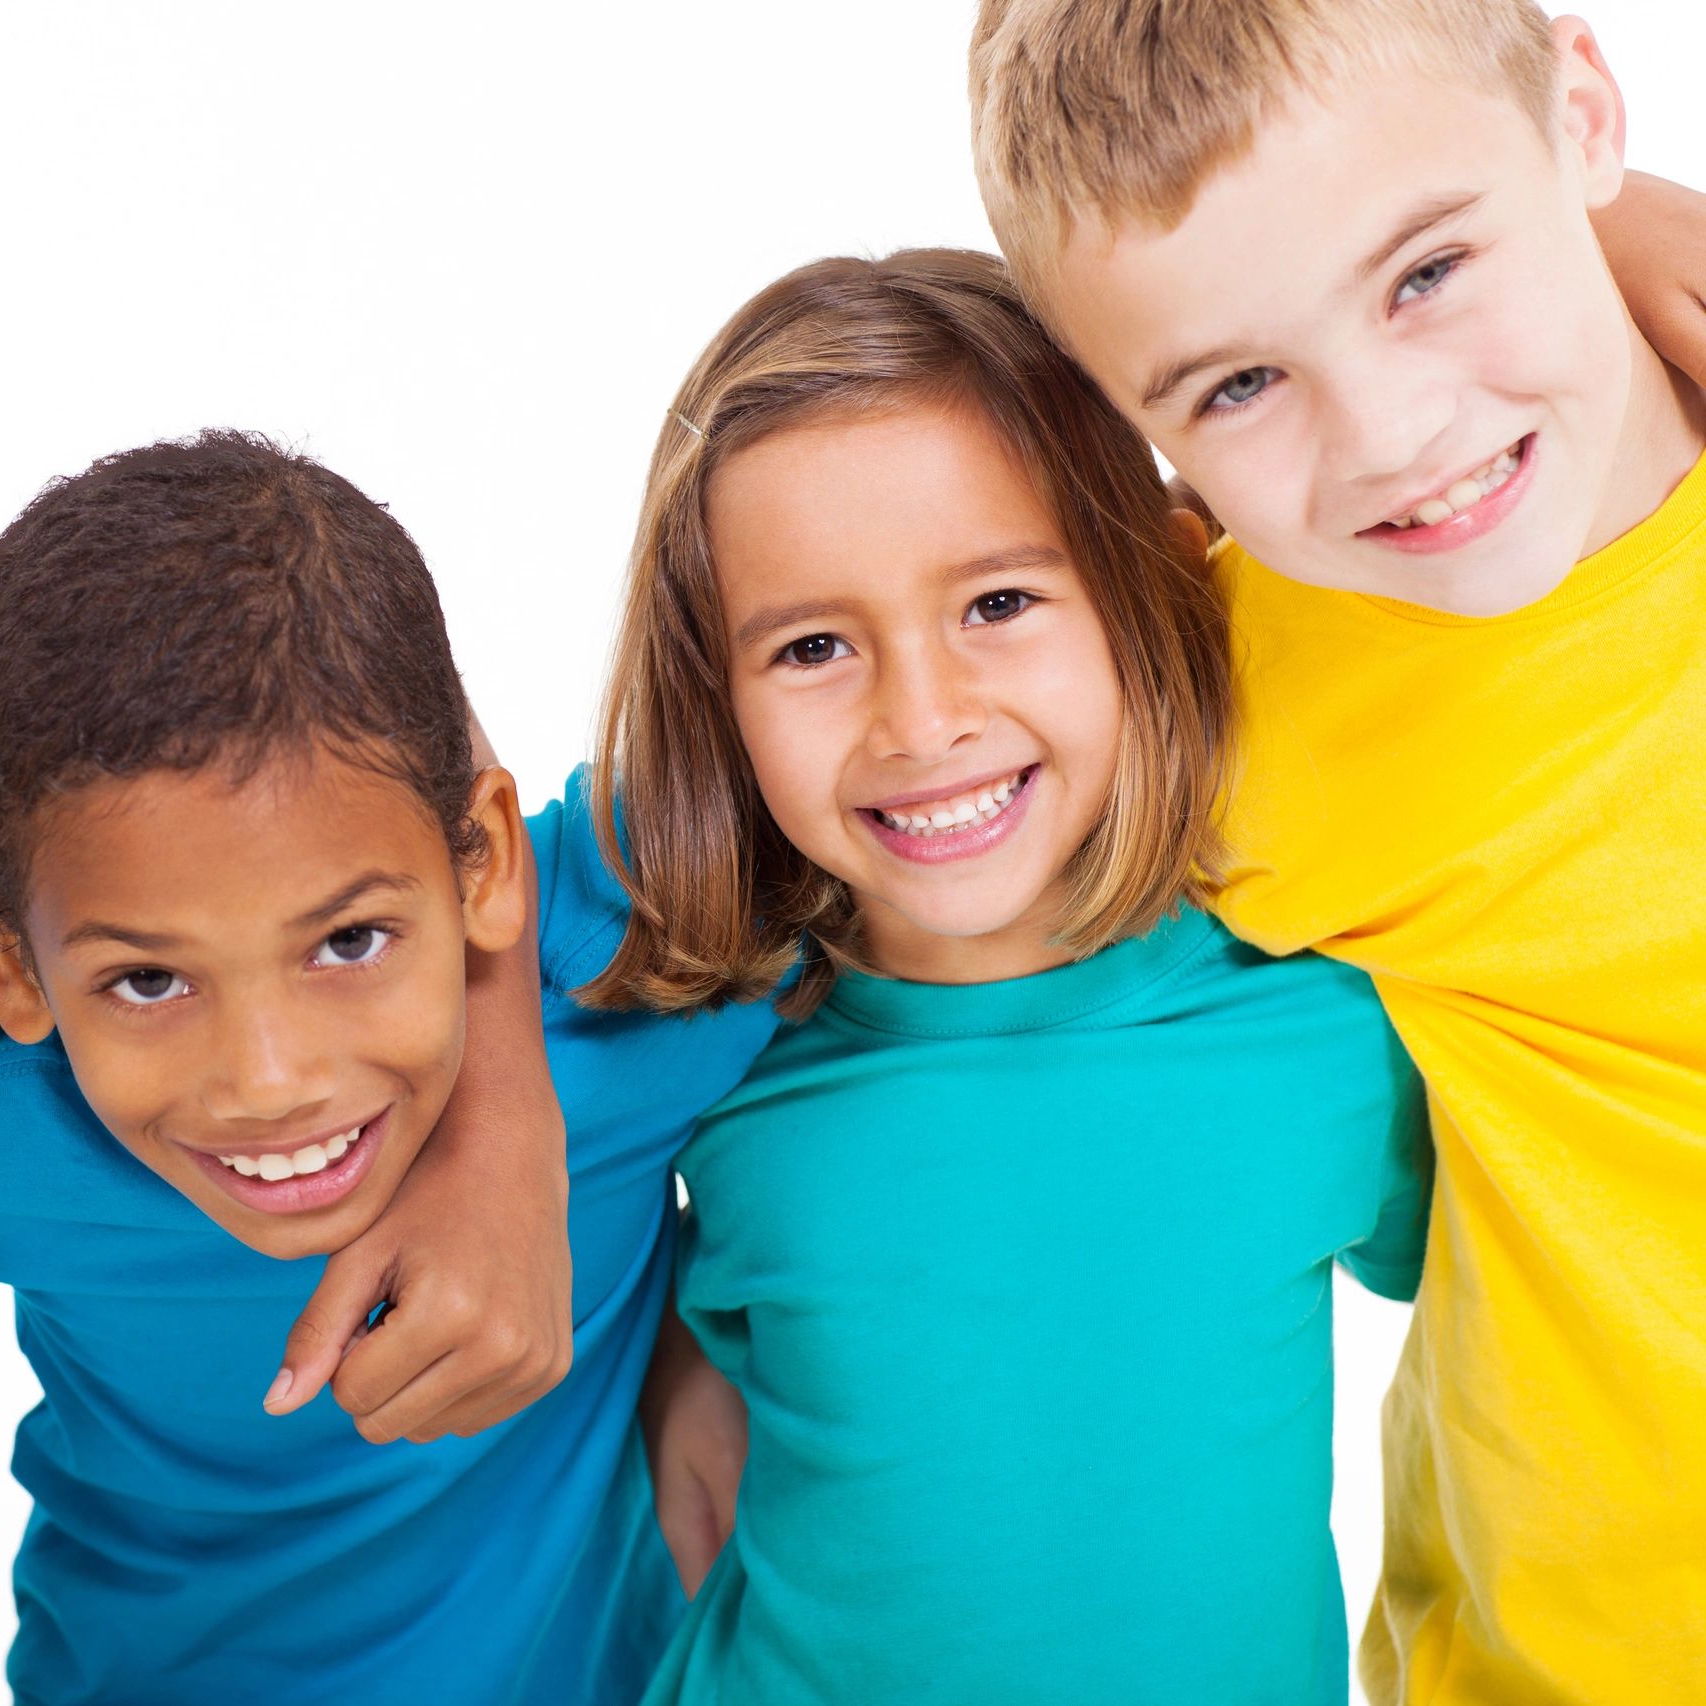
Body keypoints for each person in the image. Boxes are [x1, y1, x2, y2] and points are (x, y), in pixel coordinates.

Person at [971, 5, 1706, 1697]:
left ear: (1586, 115)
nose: (1387, 434)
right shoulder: (1220, 707)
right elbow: (785, 835)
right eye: (1239, 384)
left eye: (1427, 273)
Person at [604, 250, 1429, 1704]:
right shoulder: (702, 1050)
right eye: (812, 645)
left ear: (1150, 586)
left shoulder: (1328, 1018)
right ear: (714, 699)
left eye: (996, 603)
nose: (921, 720)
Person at [0, 430, 778, 1703]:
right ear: (5, 959)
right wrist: (499, 1117)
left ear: (484, 861)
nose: (267, 1080)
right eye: (148, 979)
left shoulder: (651, 959)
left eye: (348, 941)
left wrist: (509, 1120)